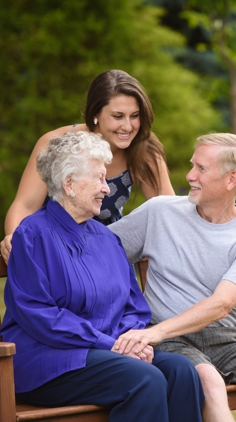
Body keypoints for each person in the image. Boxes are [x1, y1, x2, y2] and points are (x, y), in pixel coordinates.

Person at [0, 131, 203, 421]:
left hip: (108, 350)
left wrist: (130, 342)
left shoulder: (107, 239)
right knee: (145, 379)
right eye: (98, 179)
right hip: (47, 359)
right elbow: (39, 313)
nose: (106, 189)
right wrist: (110, 345)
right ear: (69, 184)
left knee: (182, 371)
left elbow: (134, 306)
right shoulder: (32, 235)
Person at [108, 133, 236, 422]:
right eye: (193, 165)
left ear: (231, 180)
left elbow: (222, 304)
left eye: (201, 169)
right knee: (210, 382)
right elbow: (97, 252)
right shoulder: (160, 212)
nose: (190, 175)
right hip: (171, 338)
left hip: (227, 339)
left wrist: (154, 334)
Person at [0, 69, 174, 264]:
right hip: (53, 252)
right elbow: (24, 205)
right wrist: (16, 238)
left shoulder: (145, 149)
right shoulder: (54, 144)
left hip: (107, 256)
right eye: (118, 116)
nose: (128, 126)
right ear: (96, 114)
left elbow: (168, 212)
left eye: (134, 115)